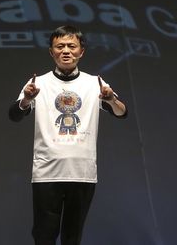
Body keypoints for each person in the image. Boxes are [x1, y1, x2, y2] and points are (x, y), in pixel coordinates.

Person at [8, 25, 127, 245]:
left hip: (82, 172)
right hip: (47, 172)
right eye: (59, 46)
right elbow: (15, 115)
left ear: (81, 51)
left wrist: (110, 99)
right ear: (51, 52)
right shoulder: (38, 83)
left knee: (73, 237)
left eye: (72, 46)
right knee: (44, 235)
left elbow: (122, 113)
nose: (66, 51)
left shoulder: (95, 83)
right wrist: (26, 99)